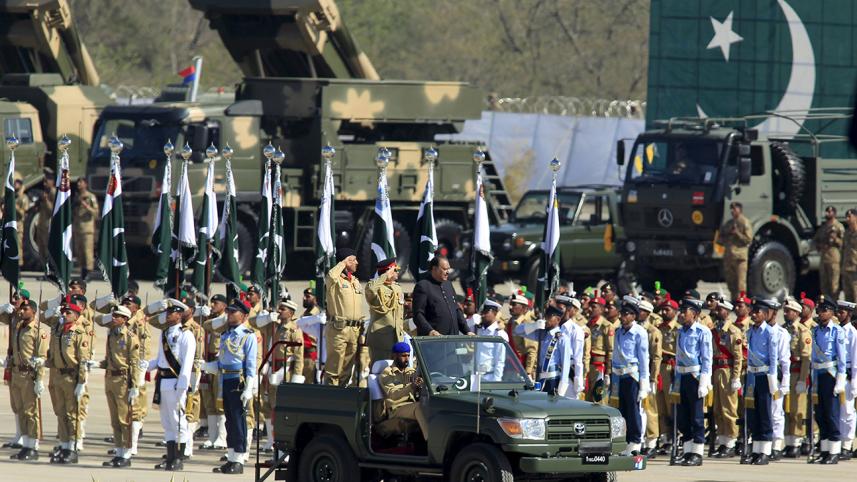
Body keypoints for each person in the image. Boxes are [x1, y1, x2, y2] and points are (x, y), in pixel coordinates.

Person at [203, 298, 257, 475]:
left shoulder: (248, 335)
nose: (230, 314)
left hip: (238, 381)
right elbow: (222, 362)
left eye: (234, 312)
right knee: (229, 420)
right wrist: (207, 366)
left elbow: (250, 365)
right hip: (224, 379)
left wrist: (249, 387)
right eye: (229, 311)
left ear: (244, 315)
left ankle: (239, 459)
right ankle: (231, 456)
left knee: (238, 419)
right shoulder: (226, 334)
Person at [149, 298, 196, 471]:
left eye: (172, 312)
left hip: (176, 383)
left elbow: (187, 363)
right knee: (167, 422)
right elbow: (161, 360)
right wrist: (148, 365)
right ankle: (169, 457)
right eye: (167, 312)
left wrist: (182, 387)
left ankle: (179, 458)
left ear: (179, 315)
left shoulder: (186, 335)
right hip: (163, 381)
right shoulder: (164, 334)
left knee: (179, 421)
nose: (168, 315)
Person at [253, 298, 305, 451]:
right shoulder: (274, 326)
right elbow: (254, 323)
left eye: (283, 309)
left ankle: (283, 442)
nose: (279, 311)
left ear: (290, 312)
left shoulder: (294, 330)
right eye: (279, 308)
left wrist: (296, 375)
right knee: (269, 406)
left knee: (282, 408)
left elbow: (298, 356)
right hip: (272, 368)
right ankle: (271, 440)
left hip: (286, 371)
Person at [0, 298, 47, 461]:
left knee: (30, 412)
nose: (22, 311)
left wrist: (39, 379)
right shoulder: (19, 327)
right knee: (20, 410)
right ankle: (25, 444)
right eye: (21, 309)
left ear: (33, 312)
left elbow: (41, 357)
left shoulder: (38, 331)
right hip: (17, 373)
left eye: (26, 309)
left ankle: (33, 445)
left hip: (29, 375)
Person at [47, 301, 92, 464]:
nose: (64, 316)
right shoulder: (58, 331)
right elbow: (54, 353)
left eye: (68, 313)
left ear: (77, 316)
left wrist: (81, 381)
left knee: (73, 414)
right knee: (61, 412)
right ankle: (64, 445)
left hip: (72, 377)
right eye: (63, 313)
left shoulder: (79, 333)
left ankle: (73, 448)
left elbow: (83, 359)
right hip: (58, 375)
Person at [98, 305, 142, 468]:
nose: (113, 318)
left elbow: (134, 363)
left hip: (123, 380)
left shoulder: (130, 337)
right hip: (110, 378)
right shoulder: (111, 335)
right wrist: (98, 364)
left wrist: (134, 385)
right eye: (113, 315)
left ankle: (126, 452)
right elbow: (110, 358)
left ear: (125, 319)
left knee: (125, 419)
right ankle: (118, 451)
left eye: (117, 316)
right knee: (115, 419)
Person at [673, 298, 712, 466]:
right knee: (682, 416)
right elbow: (677, 357)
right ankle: (687, 450)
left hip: (695, 377)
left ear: (695, 314)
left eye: (685, 311)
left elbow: (707, 358)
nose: (681, 314)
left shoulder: (703, 331)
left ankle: (697, 453)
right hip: (681, 376)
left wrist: (704, 382)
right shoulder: (680, 331)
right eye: (681, 311)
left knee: (696, 417)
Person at [810, 297, 847, 464]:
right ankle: (824, 451)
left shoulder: (837, 331)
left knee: (832, 414)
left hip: (831, 376)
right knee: (820, 414)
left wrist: (840, 379)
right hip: (818, 375)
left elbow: (841, 357)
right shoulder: (816, 331)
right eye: (819, 309)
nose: (821, 313)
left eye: (824, 310)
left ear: (832, 313)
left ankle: (834, 452)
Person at [611, 300, 650, 456]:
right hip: (618, 376)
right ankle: (624, 442)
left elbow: (643, 358)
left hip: (632, 375)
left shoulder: (639, 332)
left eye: (626, 314)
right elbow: (614, 355)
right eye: (622, 313)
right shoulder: (619, 331)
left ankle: (635, 442)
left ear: (633, 316)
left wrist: (644, 384)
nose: (622, 316)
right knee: (621, 411)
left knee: (633, 411)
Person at [324, 248, 367, 386]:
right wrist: (342, 263)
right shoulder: (335, 280)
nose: (357, 263)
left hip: (354, 331)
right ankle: (330, 401)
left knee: (346, 371)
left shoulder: (354, 281)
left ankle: (341, 399)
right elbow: (330, 276)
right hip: (339, 330)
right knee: (334, 370)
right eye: (353, 260)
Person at [709, 297, 743, 459]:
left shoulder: (733, 331)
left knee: (729, 408)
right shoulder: (715, 330)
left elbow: (738, 357)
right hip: (716, 370)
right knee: (717, 409)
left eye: (721, 309)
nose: (717, 311)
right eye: (717, 309)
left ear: (727, 311)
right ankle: (722, 440)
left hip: (728, 371)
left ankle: (731, 442)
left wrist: (736, 377)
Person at [514, 305, 571, 395]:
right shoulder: (542, 333)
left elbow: (566, 364)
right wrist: (534, 325)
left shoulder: (562, 338)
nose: (546, 320)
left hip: (553, 380)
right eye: (546, 316)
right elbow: (517, 331)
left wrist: (562, 389)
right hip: (540, 379)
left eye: (549, 317)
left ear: (558, 319)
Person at [412, 256, 472, 337]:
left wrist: (467, 331)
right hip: (434, 341)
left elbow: (456, 310)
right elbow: (418, 314)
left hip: (453, 340)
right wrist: (430, 331)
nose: (448, 272)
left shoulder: (448, 284)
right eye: (444, 269)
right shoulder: (423, 286)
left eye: (448, 269)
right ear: (434, 269)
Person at [782, 297, 812, 458]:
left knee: (797, 410)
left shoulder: (802, 331)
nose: (785, 313)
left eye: (788, 311)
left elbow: (806, 358)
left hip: (797, 373)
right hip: (785, 374)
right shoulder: (782, 329)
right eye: (785, 311)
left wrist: (802, 379)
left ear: (796, 313)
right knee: (786, 410)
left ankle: (797, 441)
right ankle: (788, 441)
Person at [380, 342, 428, 440]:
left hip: (411, 405)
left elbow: (418, 390)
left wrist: (420, 385)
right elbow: (392, 395)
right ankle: (430, 441)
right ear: (395, 355)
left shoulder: (411, 371)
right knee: (419, 407)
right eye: (403, 356)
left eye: (408, 356)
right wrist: (411, 386)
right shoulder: (387, 373)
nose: (406, 359)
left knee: (430, 404)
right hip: (397, 408)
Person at [200, 294, 229, 450]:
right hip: (207, 362)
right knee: (209, 401)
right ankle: (212, 437)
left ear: (224, 306)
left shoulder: (224, 321)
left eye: (215, 303)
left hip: (219, 364)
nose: (212, 305)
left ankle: (222, 437)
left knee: (220, 402)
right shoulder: (208, 319)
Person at [365, 259, 405, 363]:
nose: (397, 272)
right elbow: (370, 290)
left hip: (396, 338)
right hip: (381, 339)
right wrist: (385, 276)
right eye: (395, 270)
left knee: (394, 373)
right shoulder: (375, 287)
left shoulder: (397, 288)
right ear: (389, 271)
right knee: (380, 370)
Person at [765, 299, 790, 461]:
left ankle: (776, 445)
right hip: (759, 375)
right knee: (762, 411)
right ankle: (764, 444)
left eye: (767, 311)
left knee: (776, 412)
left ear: (774, 313)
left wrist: (785, 381)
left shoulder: (782, 333)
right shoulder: (757, 330)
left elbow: (785, 360)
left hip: (775, 377)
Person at [637, 299, 662, 456]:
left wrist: (653, 378)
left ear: (647, 313)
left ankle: (651, 442)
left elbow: (656, 357)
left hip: (647, 375)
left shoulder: (652, 331)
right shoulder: (634, 328)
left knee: (650, 408)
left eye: (640, 310)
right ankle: (638, 439)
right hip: (634, 373)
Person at [656, 297, 680, 455]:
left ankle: (676, 437)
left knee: (673, 406)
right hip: (660, 368)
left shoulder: (678, 329)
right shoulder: (659, 328)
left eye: (668, 310)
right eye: (663, 310)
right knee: (660, 405)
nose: (664, 312)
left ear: (675, 312)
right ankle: (665, 438)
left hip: (672, 369)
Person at [836, 301, 857, 460]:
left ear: (849, 314)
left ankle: (846, 444)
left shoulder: (853, 333)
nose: (838, 314)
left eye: (842, 312)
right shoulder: (836, 330)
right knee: (835, 410)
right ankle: (837, 442)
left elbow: (855, 359)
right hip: (834, 373)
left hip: (848, 375)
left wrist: (855, 381)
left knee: (847, 411)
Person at [719, 202, 753, 299]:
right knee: (731, 282)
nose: (732, 211)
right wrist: (727, 235)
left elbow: (748, 239)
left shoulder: (744, 222)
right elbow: (720, 239)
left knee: (741, 283)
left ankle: (742, 302)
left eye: (734, 209)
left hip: (740, 257)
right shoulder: (729, 223)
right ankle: (734, 301)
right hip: (729, 256)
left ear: (740, 210)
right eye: (731, 209)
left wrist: (737, 233)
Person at [556, 295, 587, 400]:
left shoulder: (575, 330)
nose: (558, 312)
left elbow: (578, 358)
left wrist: (578, 380)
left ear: (569, 310)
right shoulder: (553, 327)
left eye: (561, 309)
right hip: (553, 372)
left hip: (569, 373)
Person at [587, 296, 614, 404]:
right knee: (588, 399)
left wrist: (608, 373)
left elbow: (610, 350)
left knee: (599, 399)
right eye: (590, 306)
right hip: (589, 366)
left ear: (601, 309)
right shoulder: (588, 324)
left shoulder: (606, 326)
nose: (590, 309)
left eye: (593, 307)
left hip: (600, 367)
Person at [473, 299, 508, 381]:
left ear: (494, 313)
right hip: (476, 376)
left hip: (490, 376)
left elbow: (500, 360)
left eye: (486, 312)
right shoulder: (479, 330)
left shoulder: (499, 334)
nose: (483, 315)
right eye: (482, 312)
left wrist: (496, 380)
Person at [815, 206, 845, 299]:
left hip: (834, 259)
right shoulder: (823, 227)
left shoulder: (838, 226)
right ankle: (826, 305)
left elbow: (843, 243)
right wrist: (820, 245)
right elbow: (816, 240)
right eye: (827, 211)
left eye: (830, 212)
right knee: (824, 286)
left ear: (834, 214)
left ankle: (835, 305)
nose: (828, 213)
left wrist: (835, 239)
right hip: (824, 259)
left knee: (834, 286)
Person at [506, 293, 538, 379]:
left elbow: (531, 350)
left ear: (524, 308)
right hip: (510, 367)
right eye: (510, 304)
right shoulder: (509, 322)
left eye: (514, 305)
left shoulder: (527, 324)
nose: (510, 307)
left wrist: (528, 372)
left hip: (521, 368)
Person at [72, 176, 99, 280]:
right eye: (78, 182)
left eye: (81, 182)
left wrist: (86, 206)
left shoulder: (90, 197)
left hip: (87, 229)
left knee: (87, 252)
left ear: (85, 184)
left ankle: (89, 273)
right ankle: (82, 271)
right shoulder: (77, 197)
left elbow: (96, 213)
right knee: (79, 252)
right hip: (78, 228)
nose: (79, 184)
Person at [301, 288, 321, 383]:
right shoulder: (305, 314)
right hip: (302, 353)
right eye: (304, 296)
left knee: (309, 383)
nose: (304, 298)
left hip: (311, 354)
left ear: (316, 299)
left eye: (308, 296)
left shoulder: (317, 315)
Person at [35, 169, 55, 262]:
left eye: (46, 181)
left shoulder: (53, 193)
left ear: (52, 182)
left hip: (49, 226)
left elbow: (53, 211)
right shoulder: (44, 193)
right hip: (41, 225)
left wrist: (46, 201)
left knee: (48, 250)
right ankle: (45, 271)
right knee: (41, 250)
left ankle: (50, 271)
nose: (44, 184)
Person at [13, 177, 29, 267]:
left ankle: (19, 264)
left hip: (19, 225)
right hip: (12, 224)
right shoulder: (13, 196)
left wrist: (16, 207)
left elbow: (24, 212)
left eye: (17, 183)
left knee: (18, 246)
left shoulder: (23, 198)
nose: (15, 185)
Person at [843, 209, 857, 302]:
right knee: (848, 296)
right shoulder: (847, 232)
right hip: (846, 268)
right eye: (846, 217)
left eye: (849, 217)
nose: (847, 219)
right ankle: (850, 316)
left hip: (855, 268)